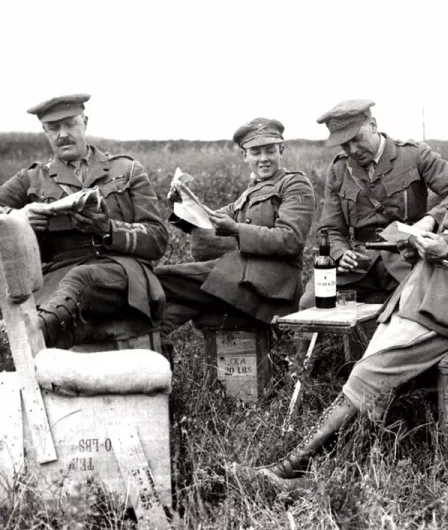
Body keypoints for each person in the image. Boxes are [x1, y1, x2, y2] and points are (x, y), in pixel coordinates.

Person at [259, 98, 448, 485]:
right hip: (431, 294)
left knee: (370, 370)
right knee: (365, 364)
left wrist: (443, 247)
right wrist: (418, 244)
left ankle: (294, 469)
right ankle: (322, 465)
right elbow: (331, 228)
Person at [0, 94, 168, 348]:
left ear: (85, 122)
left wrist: (109, 229)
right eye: (53, 128)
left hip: (121, 273)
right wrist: (20, 218)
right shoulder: (32, 178)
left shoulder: (126, 170)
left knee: (83, 277)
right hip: (58, 277)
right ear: (45, 131)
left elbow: (157, 239)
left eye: (70, 124)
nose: (62, 134)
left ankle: (33, 336)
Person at [155, 118, 315, 353]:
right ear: (244, 156)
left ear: (281, 150)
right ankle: (158, 376)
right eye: (255, 152)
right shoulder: (247, 194)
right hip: (241, 281)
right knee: (161, 319)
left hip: (272, 285)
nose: (264, 158)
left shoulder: (294, 185)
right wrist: (184, 204)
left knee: (158, 278)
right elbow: (209, 220)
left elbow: (290, 240)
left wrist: (237, 230)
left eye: (270, 150)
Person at [299, 99, 448, 308]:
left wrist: (430, 219)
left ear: (373, 125)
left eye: (357, 139)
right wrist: (340, 253)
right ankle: (305, 342)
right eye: (345, 144)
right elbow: (330, 228)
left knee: (428, 305)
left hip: (407, 258)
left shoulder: (414, 155)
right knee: (309, 301)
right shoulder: (339, 169)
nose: (353, 149)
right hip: (360, 266)